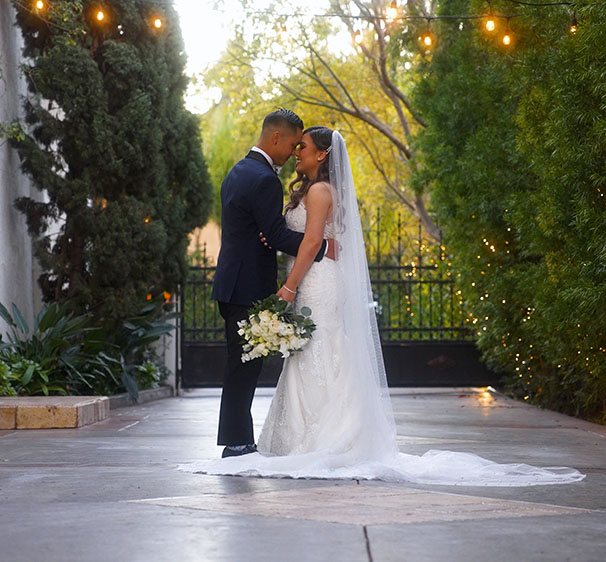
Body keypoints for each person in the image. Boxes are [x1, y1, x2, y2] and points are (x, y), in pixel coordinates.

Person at [184, 127, 585, 486]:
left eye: (302, 147)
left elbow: (310, 242)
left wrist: (288, 286)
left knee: (319, 348)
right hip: (309, 277)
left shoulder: (319, 191)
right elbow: (287, 235)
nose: (296, 152)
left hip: (316, 280)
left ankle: (326, 437)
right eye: (295, 145)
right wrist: (280, 244)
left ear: (322, 154)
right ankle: (288, 437)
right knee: (309, 352)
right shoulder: (298, 188)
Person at [210, 109, 334, 459]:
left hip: (233, 282)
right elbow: (277, 235)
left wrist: (270, 235)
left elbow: (264, 231)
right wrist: (323, 247)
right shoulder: (264, 178)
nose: (294, 152)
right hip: (246, 285)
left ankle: (238, 440)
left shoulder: (239, 170)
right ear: (276, 137)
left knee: (242, 363)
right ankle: (237, 444)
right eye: (293, 144)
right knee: (243, 365)